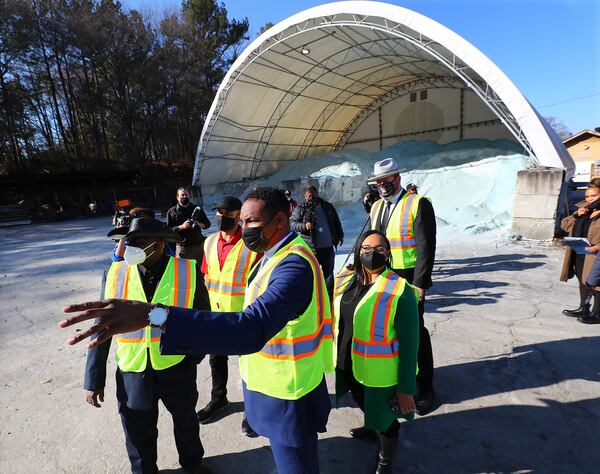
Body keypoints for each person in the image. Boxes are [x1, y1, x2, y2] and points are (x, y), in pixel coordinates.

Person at [62, 187, 333, 474]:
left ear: (279, 220)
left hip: (288, 393)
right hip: (268, 388)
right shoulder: (273, 255)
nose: (242, 229)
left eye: (250, 222)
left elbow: (251, 328)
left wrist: (153, 316)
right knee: (139, 433)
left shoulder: (293, 266)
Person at [83, 218, 211, 474]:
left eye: (139, 242)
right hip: (133, 369)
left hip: (177, 366)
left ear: (160, 244)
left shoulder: (187, 270)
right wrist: (94, 378)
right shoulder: (114, 273)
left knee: (186, 423)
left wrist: (193, 357)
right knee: (136, 427)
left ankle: (193, 465)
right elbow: (101, 324)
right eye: (129, 242)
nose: (130, 247)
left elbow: (202, 316)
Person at [333, 230, 419, 474]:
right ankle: (371, 426)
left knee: (386, 421)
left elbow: (411, 344)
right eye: (366, 249)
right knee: (364, 403)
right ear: (359, 250)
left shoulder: (399, 290)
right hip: (350, 363)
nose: (372, 254)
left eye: (379, 249)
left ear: (388, 253)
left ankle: (385, 461)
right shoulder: (348, 279)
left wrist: (405, 389)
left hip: (381, 373)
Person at [362, 157, 436, 418]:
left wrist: (419, 284)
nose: (382, 185)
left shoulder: (417, 204)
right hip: (383, 277)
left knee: (415, 333)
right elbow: (372, 241)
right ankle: (396, 385)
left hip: (408, 278)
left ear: (398, 178)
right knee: (388, 333)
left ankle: (425, 389)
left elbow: (426, 247)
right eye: (378, 181)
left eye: (386, 180)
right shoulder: (376, 207)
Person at [198, 196, 261, 437]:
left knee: (248, 364)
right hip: (216, 313)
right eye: (218, 212)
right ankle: (219, 399)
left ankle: (252, 411)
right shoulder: (209, 242)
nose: (221, 217)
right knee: (217, 360)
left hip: (243, 315)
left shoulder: (250, 244)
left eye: (227, 213)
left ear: (238, 217)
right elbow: (207, 275)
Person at [560, 182, 600, 324]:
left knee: (596, 284)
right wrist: (576, 215)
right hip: (580, 253)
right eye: (587, 196)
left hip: (596, 255)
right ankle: (584, 308)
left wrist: (598, 247)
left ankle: (597, 314)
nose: (590, 199)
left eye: (594, 195)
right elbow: (564, 225)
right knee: (583, 282)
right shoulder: (584, 210)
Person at [290, 185, 344, 284]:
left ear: (317, 194)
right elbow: (292, 223)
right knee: (311, 276)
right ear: (305, 197)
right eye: (308, 196)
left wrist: (340, 235)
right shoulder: (301, 208)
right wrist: (304, 226)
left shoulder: (327, 206)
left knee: (328, 275)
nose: (311, 198)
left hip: (328, 248)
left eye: (313, 195)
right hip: (311, 249)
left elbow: (336, 222)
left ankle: (329, 297)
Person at [167, 187, 211, 261]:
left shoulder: (197, 209)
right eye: (182, 195)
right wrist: (182, 227)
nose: (185, 196)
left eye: (186, 195)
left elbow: (207, 224)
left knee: (201, 271)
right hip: (183, 249)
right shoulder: (172, 212)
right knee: (183, 271)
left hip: (199, 247)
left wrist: (198, 224)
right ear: (177, 198)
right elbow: (168, 230)